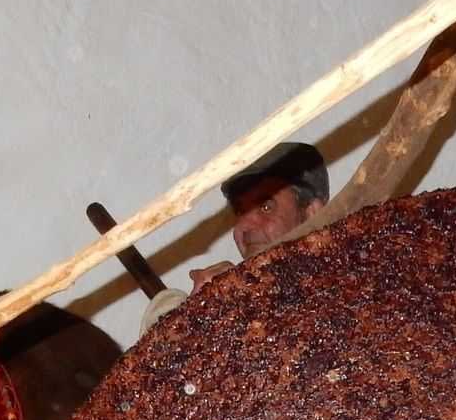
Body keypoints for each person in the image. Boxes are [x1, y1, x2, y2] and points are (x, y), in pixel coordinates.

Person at [141, 141, 329, 333]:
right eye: (240, 212)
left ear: (312, 213)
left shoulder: (348, 291)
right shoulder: (224, 305)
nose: (243, 227)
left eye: (266, 207)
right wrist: (195, 320)